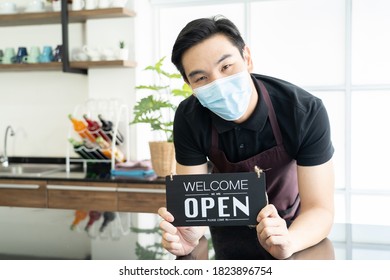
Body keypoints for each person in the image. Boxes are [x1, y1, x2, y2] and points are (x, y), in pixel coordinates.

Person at [158, 15, 335, 260]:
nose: (218, 83)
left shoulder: (303, 112)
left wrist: (289, 242)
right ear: (189, 84)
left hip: (294, 227)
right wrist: (189, 236)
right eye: (201, 78)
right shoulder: (190, 118)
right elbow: (194, 204)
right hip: (225, 232)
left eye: (226, 67)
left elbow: (320, 209)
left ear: (247, 58)